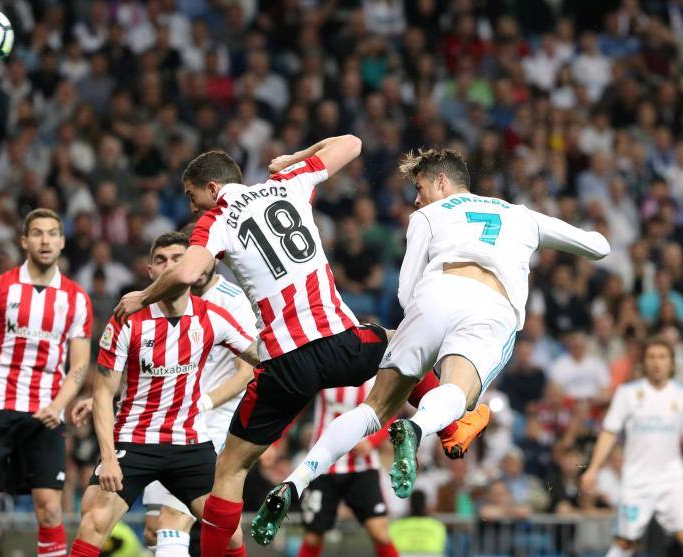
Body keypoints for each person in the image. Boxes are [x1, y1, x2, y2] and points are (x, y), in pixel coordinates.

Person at [257, 146, 609, 544]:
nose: (417, 198)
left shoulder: (427, 215)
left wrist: (422, 333)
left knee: (374, 409)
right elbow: (599, 247)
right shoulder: (521, 216)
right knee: (459, 392)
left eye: (421, 187)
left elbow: (407, 292)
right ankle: (418, 426)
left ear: (442, 181)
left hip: (436, 292)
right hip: (490, 306)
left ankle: (295, 481)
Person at [112, 136, 442, 557]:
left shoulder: (214, 220)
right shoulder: (289, 182)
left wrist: (143, 296)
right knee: (403, 344)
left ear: (212, 189)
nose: (193, 207)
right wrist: (296, 156)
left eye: (193, 197)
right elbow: (354, 143)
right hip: (342, 343)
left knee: (230, 471)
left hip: (284, 364)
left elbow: (188, 271)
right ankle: (450, 425)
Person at [68, 232, 259, 557]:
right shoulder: (127, 320)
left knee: (230, 534)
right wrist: (110, 458)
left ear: (193, 269)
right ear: (150, 272)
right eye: (161, 260)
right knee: (94, 520)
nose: (169, 265)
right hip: (135, 440)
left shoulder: (212, 315)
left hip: (190, 442)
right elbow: (102, 394)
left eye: (177, 259)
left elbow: (260, 360)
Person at [0, 208, 93, 557]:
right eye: (38, 233)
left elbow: (80, 364)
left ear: (62, 241)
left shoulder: (76, 299)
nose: (45, 240)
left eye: (52, 233)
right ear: (24, 241)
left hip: (45, 413)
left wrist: (58, 405)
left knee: (51, 510)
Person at [581, 338, 683, 557]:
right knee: (625, 542)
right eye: (651, 357)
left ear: (672, 363)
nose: (656, 362)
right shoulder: (627, 393)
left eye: (662, 357)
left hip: (671, 479)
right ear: (644, 362)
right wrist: (593, 468)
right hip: (636, 479)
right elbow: (609, 431)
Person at [297, 378, 399, 557]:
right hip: (323, 466)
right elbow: (296, 404)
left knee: (380, 533)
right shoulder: (327, 366)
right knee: (313, 537)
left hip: (362, 467)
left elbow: (389, 411)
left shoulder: (376, 373)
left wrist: (372, 442)